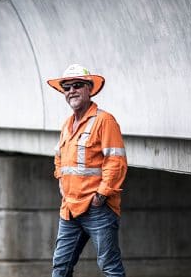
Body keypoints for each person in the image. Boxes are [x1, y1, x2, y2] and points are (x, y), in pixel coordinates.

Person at [47, 64, 128, 277]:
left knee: (110, 267)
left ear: (89, 89)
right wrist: (61, 182)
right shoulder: (67, 124)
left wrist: (101, 195)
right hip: (70, 209)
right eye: (66, 87)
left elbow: (116, 161)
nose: (71, 90)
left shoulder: (104, 120)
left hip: (98, 208)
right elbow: (59, 158)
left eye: (77, 85)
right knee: (60, 267)